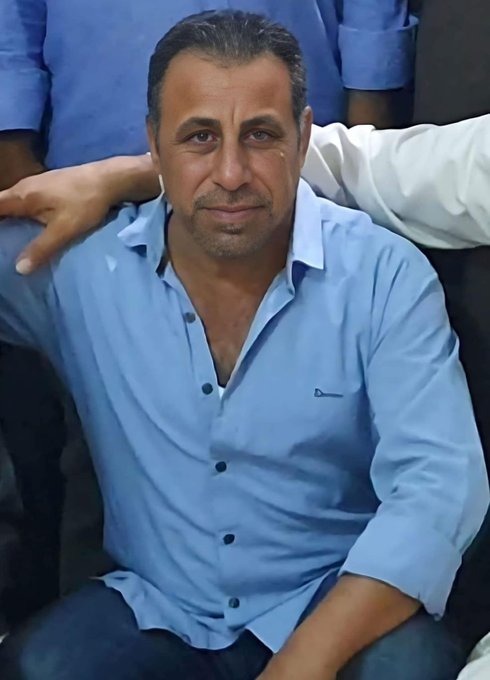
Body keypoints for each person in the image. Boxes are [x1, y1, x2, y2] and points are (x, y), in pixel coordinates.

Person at [0, 11, 487, 680]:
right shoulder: (79, 268)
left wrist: (302, 663)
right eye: (200, 137)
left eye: (260, 135)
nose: (231, 173)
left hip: (332, 600)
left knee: (408, 669)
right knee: (40, 666)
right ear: (153, 146)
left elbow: (438, 488)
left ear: (303, 137)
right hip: (158, 608)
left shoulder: (382, 275)